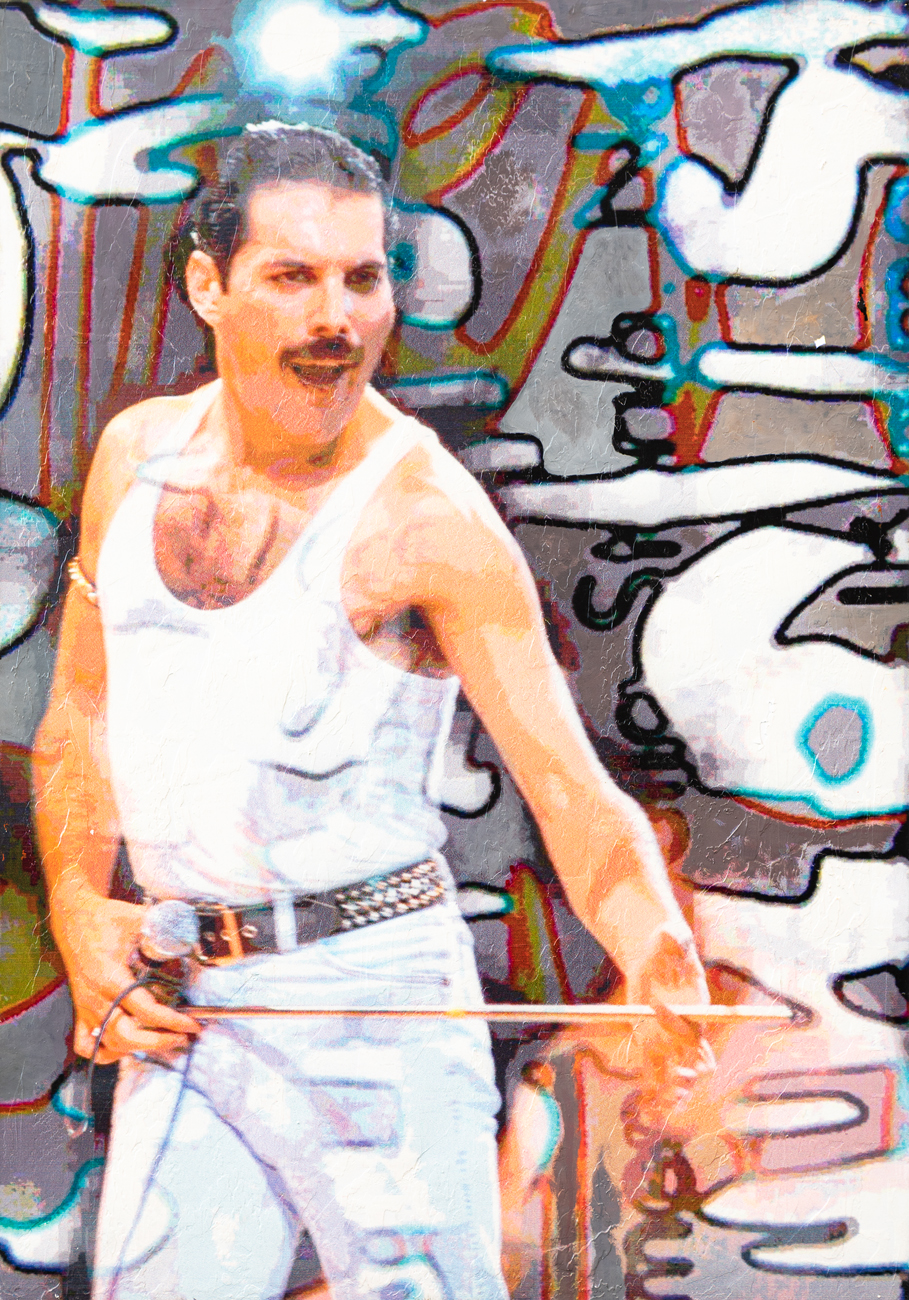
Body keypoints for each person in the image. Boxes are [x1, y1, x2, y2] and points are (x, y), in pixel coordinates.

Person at [31, 122, 711, 1300]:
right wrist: (81, 908)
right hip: (188, 1011)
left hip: (381, 1028)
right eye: (293, 277)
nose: (336, 318)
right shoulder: (135, 457)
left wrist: (658, 950)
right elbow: (80, 719)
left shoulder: (428, 519)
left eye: (362, 278)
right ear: (208, 285)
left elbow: (570, 792)